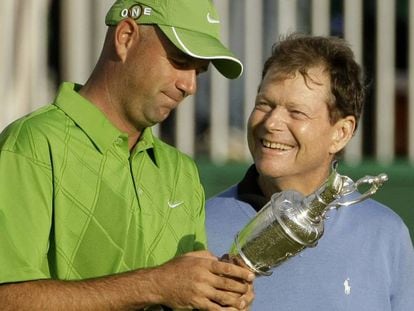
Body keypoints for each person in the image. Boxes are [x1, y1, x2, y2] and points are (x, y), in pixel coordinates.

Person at [0, 0, 255, 310]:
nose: (189, 86)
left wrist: (217, 294)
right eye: (178, 60)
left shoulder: (181, 172)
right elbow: (8, 299)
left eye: (198, 72)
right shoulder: (32, 144)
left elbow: (180, 292)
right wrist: (155, 285)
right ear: (125, 37)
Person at [206, 33, 414, 310]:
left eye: (296, 112)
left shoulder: (386, 234)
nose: (271, 123)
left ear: (341, 133)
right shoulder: (200, 223)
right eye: (264, 104)